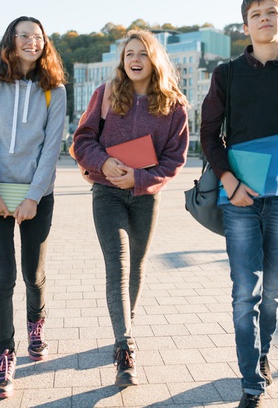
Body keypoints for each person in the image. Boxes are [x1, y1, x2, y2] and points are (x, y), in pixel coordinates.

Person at [200, 0, 278, 408]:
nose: (264, 19)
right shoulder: (227, 73)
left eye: (271, 12)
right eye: (256, 14)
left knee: (272, 293)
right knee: (244, 292)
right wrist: (229, 182)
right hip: (239, 199)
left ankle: (263, 355)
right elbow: (208, 134)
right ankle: (251, 382)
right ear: (245, 25)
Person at [73, 29, 189, 388]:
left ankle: (126, 325)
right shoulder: (105, 95)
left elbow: (174, 160)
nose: (135, 60)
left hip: (145, 197)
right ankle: (124, 346)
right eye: (129, 55)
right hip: (106, 194)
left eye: (142, 53)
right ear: (122, 62)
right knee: (118, 264)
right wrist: (105, 164)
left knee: (136, 265)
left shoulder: (174, 105)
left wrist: (139, 179)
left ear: (154, 59)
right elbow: (82, 140)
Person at [0, 16, 66, 399]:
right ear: (10, 42)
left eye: (39, 37)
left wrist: (33, 196)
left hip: (36, 194)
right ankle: (3, 354)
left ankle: (36, 324)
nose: (32, 41)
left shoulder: (53, 90)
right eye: (24, 35)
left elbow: (52, 147)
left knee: (33, 273)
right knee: (3, 276)